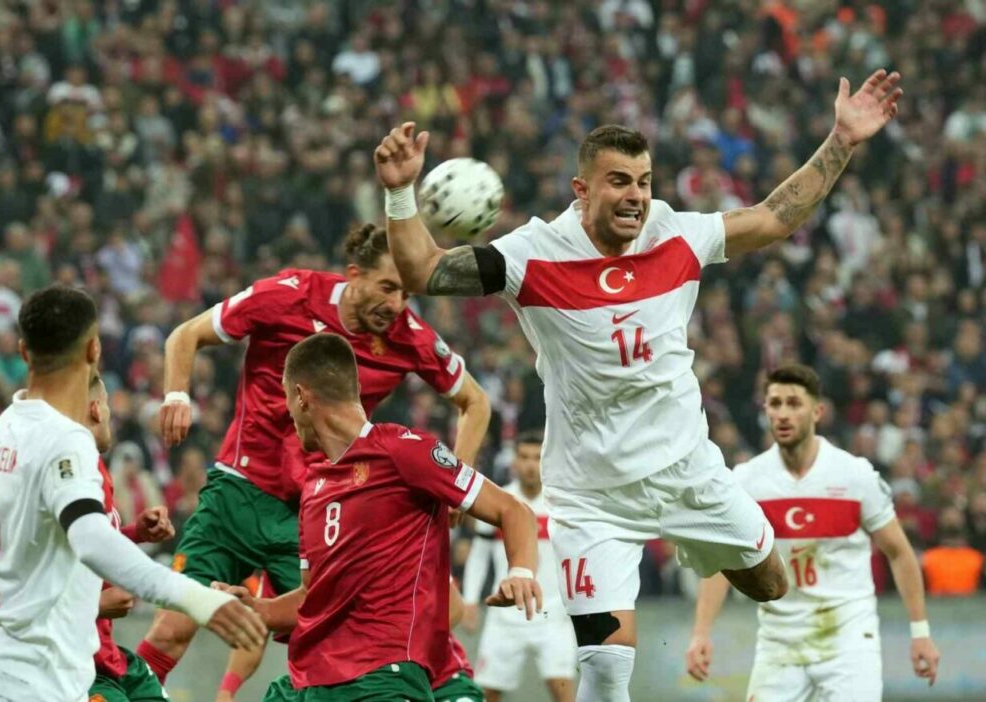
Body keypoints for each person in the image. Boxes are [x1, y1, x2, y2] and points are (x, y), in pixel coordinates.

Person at [374, 68, 903, 700]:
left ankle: (693, 541)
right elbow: (423, 271)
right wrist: (400, 192)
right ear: (581, 190)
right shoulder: (531, 254)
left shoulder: (678, 235)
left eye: (645, 182)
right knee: (603, 665)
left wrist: (841, 140)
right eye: (619, 181)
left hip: (688, 471)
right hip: (591, 494)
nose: (635, 196)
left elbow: (772, 219)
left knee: (771, 584)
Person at [137, 224, 491, 693]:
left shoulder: (410, 337)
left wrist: (455, 486)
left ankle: (446, 689)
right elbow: (185, 335)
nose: (397, 305)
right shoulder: (289, 294)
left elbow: (475, 401)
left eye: (406, 293)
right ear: (354, 275)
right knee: (172, 628)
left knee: (368, 635)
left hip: (318, 509)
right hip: (236, 492)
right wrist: (177, 395)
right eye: (387, 287)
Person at [0, 285, 266, 702]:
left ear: (23, 352)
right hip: (36, 686)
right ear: (94, 350)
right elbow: (91, 539)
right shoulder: (67, 439)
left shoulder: (4, 428)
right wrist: (198, 600)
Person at [214, 333, 541, 701]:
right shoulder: (314, 488)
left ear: (302, 396)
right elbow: (311, 596)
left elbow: (513, 510)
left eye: (287, 398)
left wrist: (521, 571)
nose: (288, 413)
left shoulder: (404, 451)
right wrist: (255, 609)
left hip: (382, 679)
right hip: (307, 683)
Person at [685, 364, 941, 701]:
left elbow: (899, 552)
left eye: (794, 403)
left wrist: (920, 631)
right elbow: (724, 562)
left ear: (817, 412)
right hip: (779, 643)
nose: (783, 414)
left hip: (849, 640)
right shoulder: (747, 481)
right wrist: (701, 632)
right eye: (775, 404)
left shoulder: (855, 476)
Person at [462, 431, 576, 702]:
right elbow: (479, 554)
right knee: (488, 693)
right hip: (505, 618)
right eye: (524, 457)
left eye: (536, 457)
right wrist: (469, 600)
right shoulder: (498, 502)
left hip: (553, 615)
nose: (530, 465)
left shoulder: (562, 505)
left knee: (563, 692)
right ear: (514, 461)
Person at [85, 373, 177, 702]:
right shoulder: (63, 480)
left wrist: (136, 532)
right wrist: (95, 605)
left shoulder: (96, 469)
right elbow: (33, 580)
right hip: (74, 663)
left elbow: (96, 546)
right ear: (96, 409)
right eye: (108, 405)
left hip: (108, 654)